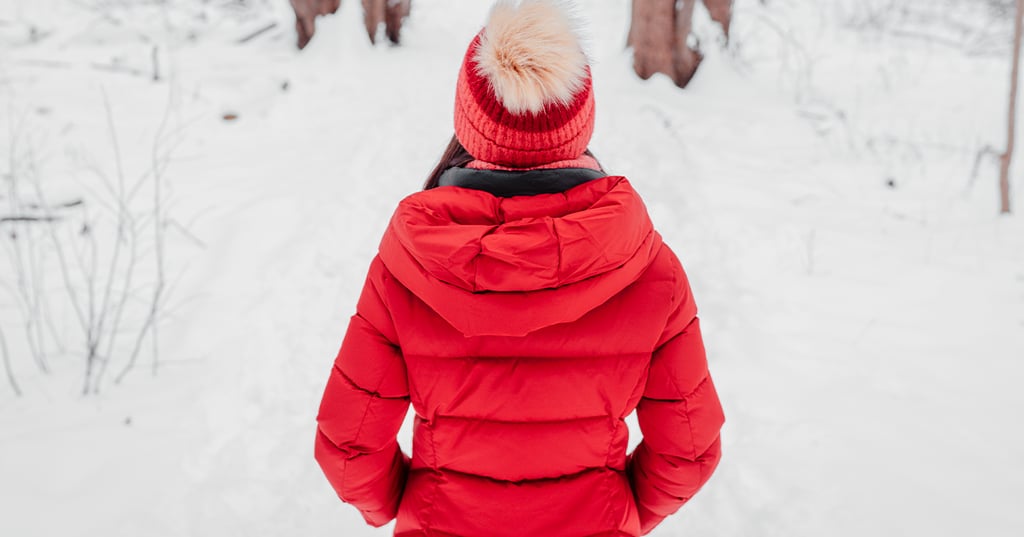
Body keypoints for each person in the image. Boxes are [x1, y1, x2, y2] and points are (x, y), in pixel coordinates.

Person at [314, 1, 725, 535]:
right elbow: (688, 450)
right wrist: (621, 511)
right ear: (579, 124)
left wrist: (405, 502)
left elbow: (349, 446)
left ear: (469, 121)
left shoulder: (408, 264)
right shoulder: (649, 269)